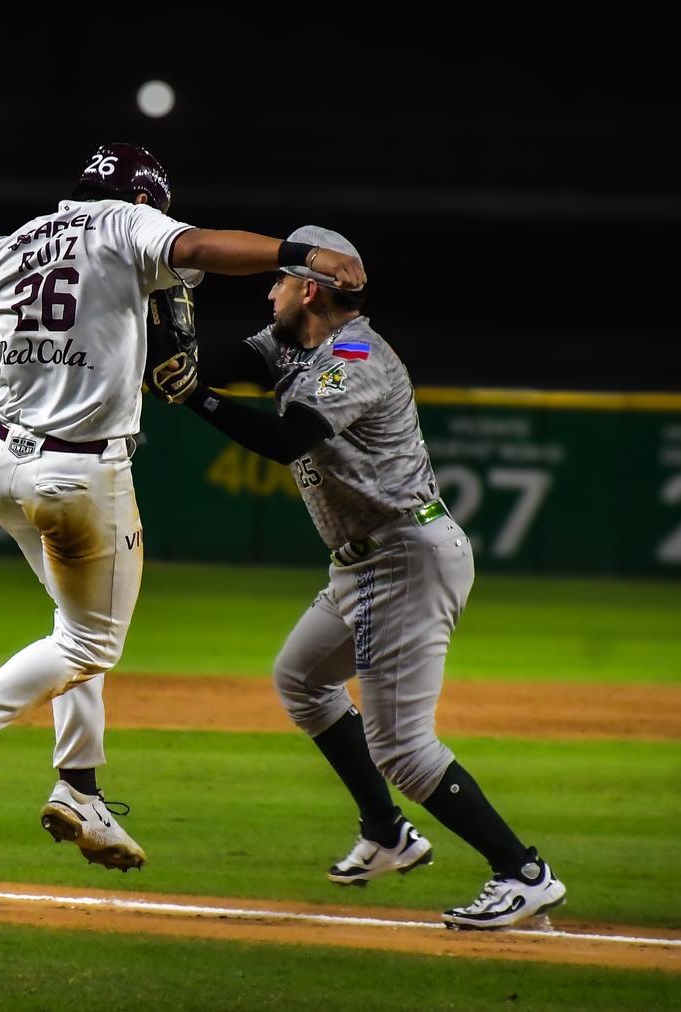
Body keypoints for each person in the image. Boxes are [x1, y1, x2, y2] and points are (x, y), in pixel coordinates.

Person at [0, 146, 365, 872]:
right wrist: (296, 251)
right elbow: (195, 248)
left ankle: (79, 790)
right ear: (142, 199)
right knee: (90, 644)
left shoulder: (12, 244)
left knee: (76, 629)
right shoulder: (127, 225)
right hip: (79, 475)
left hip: (3, 469)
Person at [152, 225, 565, 927]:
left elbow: (287, 440)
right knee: (302, 679)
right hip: (363, 559)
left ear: (309, 289)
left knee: (403, 748)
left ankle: (523, 873)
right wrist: (172, 344)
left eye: (279, 280)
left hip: (404, 554)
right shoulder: (291, 341)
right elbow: (225, 359)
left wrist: (194, 399)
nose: (272, 289)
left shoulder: (354, 353)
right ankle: (387, 832)